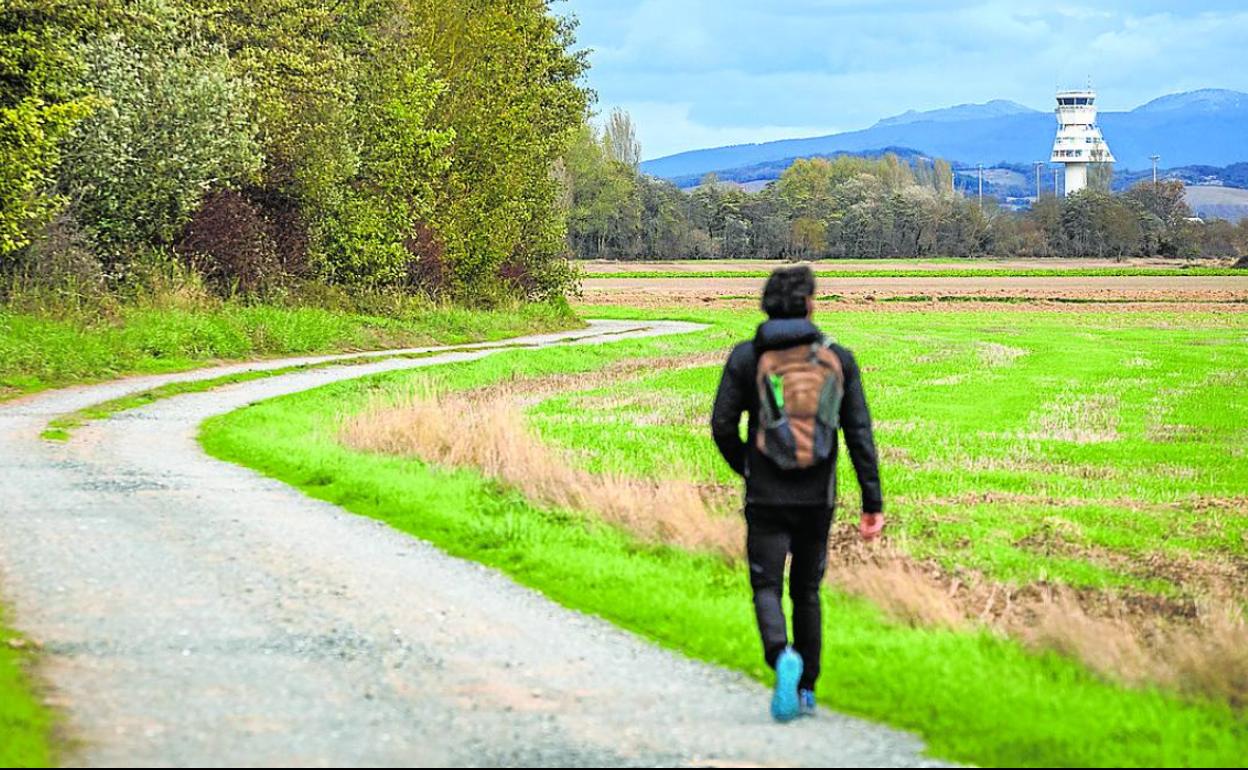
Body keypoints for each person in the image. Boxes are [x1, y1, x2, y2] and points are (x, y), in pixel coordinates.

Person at [710, 265, 883, 722]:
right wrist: (872, 503)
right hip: (817, 497)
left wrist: (747, 466)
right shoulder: (838, 358)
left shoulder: (747, 357)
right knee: (807, 590)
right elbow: (859, 435)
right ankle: (807, 689)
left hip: (765, 495)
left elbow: (722, 425)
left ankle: (780, 655)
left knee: (765, 584)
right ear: (809, 305)